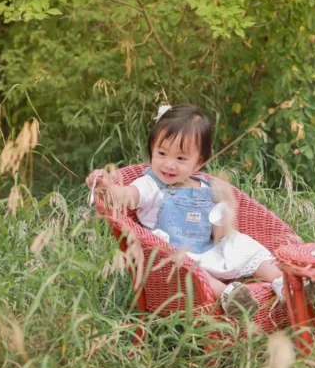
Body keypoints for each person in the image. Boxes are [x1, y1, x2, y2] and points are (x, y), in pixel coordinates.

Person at [87, 104, 283, 318]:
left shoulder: (206, 187)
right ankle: (229, 296)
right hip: (175, 258)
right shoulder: (150, 185)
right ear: (152, 149)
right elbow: (127, 196)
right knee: (193, 271)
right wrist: (106, 187)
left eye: (180, 158)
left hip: (208, 248)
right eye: (161, 153)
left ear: (198, 162)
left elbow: (218, 235)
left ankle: (282, 280)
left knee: (243, 245)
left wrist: (223, 219)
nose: (169, 164)